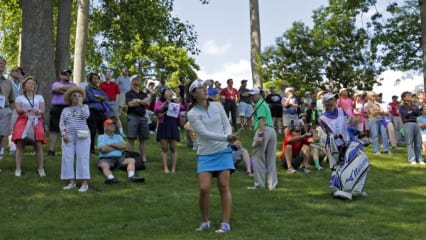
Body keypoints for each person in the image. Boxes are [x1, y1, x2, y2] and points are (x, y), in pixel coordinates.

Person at [187, 78, 237, 233]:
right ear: (194, 94)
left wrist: (229, 135)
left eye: (205, 87)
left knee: (223, 186)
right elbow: (204, 134)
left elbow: (226, 123)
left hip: (223, 150)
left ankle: (225, 224)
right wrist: (225, 138)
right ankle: (205, 221)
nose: (205, 89)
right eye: (201, 88)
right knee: (204, 188)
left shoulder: (217, 105)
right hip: (205, 154)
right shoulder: (192, 113)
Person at [12, 76, 46, 177]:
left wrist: (37, 111)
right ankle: (18, 168)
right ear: (24, 86)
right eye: (29, 83)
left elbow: (42, 110)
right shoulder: (19, 97)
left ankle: (41, 168)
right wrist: (26, 110)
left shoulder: (40, 97)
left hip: (36, 120)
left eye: (33, 83)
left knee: (38, 145)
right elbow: (18, 110)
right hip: (23, 120)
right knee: (20, 144)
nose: (31, 85)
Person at [59, 87, 91, 192]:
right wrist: (63, 134)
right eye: (74, 96)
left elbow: (86, 116)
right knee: (67, 158)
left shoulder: (85, 107)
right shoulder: (65, 110)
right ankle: (71, 182)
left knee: (83, 158)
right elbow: (62, 123)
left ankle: (84, 183)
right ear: (70, 98)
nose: (77, 98)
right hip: (68, 137)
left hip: (83, 136)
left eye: (79, 96)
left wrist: (81, 104)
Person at [98, 119, 145, 184]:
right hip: (106, 159)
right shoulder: (101, 137)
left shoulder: (118, 136)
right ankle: (111, 178)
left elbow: (125, 146)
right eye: (110, 125)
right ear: (105, 127)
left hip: (119, 158)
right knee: (104, 165)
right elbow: (103, 149)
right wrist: (118, 147)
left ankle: (131, 177)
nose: (113, 126)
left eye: (113, 124)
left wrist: (111, 145)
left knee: (131, 160)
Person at [248, 88, 278, 190]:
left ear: (258, 95)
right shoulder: (264, 103)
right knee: (271, 158)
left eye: (253, 95)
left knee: (257, 158)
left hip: (263, 130)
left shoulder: (259, 104)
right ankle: (272, 185)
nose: (251, 97)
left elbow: (262, 119)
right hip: (272, 131)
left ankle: (259, 185)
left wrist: (260, 135)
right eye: (250, 95)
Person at [48, 69, 76, 156]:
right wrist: (68, 91)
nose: (66, 75)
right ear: (60, 75)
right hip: (57, 108)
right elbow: (56, 90)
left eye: (68, 74)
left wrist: (62, 89)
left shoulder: (73, 84)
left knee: (69, 129)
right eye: (64, 74)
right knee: (54, 129)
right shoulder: (56, 83)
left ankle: (68, 149)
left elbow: (75, 90)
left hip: (69, 108)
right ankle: (51, 150)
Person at [154, 88, 181, 173]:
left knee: (173, 148)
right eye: (167, 92)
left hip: (172, 125)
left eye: (170, 92)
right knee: (164, 148)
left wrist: (175, 105)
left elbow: (180, 111)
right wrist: (165, 104)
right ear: (163, 94)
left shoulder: (174, 102)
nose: (169, 93)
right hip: (163, 125)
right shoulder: (159, 102)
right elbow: (156, 111)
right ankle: (165, 168)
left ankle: (173, 168)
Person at [126, 75, 151, 162]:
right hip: (132, 116)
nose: (139, 80)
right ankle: (131, 158)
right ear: (132, 81)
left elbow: (147, 103)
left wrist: (137, 101)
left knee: (143, 139)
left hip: (142, 117)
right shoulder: (128, 93)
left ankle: (143, 157)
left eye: (139, 79)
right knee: (131, 138)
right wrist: (142, 102)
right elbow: (130, 104)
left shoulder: (143, 93)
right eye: (136, 79)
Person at [84, 72, 109, 154]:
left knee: (102, 131)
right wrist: (99, 98)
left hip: (101, 112)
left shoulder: (100, 90)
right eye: (94, 78)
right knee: (93, 130)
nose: (96, 80)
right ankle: (91, 149)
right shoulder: (87, 88)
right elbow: (90, 98)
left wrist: (98, 97)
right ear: (90, 79)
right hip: (92, 111)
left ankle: (103, 149)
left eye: (97, 78)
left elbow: (106, 98)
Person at [400, 91, 424, 165]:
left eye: (410, 95)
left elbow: (419, 113)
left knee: (418, 142)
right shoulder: (402, 106)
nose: (410, 97)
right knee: (410, 142)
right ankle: (412, 159)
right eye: (408, 96)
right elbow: (406, 114)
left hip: (416, 123)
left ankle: (420, 159)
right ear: (404, 98)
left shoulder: (414, 105)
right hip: (408, 124)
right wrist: (413, 112)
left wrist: (411, 112)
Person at [100, 70, 125, 136]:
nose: (108, 75)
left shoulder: (114, 84)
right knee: (106, 117)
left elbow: (117, 93)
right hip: (105, 102)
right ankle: (105, 132)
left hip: (113, 101)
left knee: (116, 117)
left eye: (109, 74)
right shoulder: (101, 84)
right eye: (107, 74)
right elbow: (100, 94)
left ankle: (121, 132)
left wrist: (116, 102)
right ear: (105, 76)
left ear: (111, 76)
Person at [0, 57, 15, 162]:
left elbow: (12, 99)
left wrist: (10, 111)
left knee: (2, 134)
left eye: (3, 64)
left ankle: (0, 155)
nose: (2, 65)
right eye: (0, 63)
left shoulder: (8, 82)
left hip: (5, 109)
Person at [8, 66, 25, 156]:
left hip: (23, 108)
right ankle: (12, 149)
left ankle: (19, 147)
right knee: (11, 128)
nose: (17, 72)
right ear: (11, 73)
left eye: (19, 71)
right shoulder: (7, 82)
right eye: (15, 71)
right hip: (12, 107)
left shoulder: (24, 84)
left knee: (20, 128)